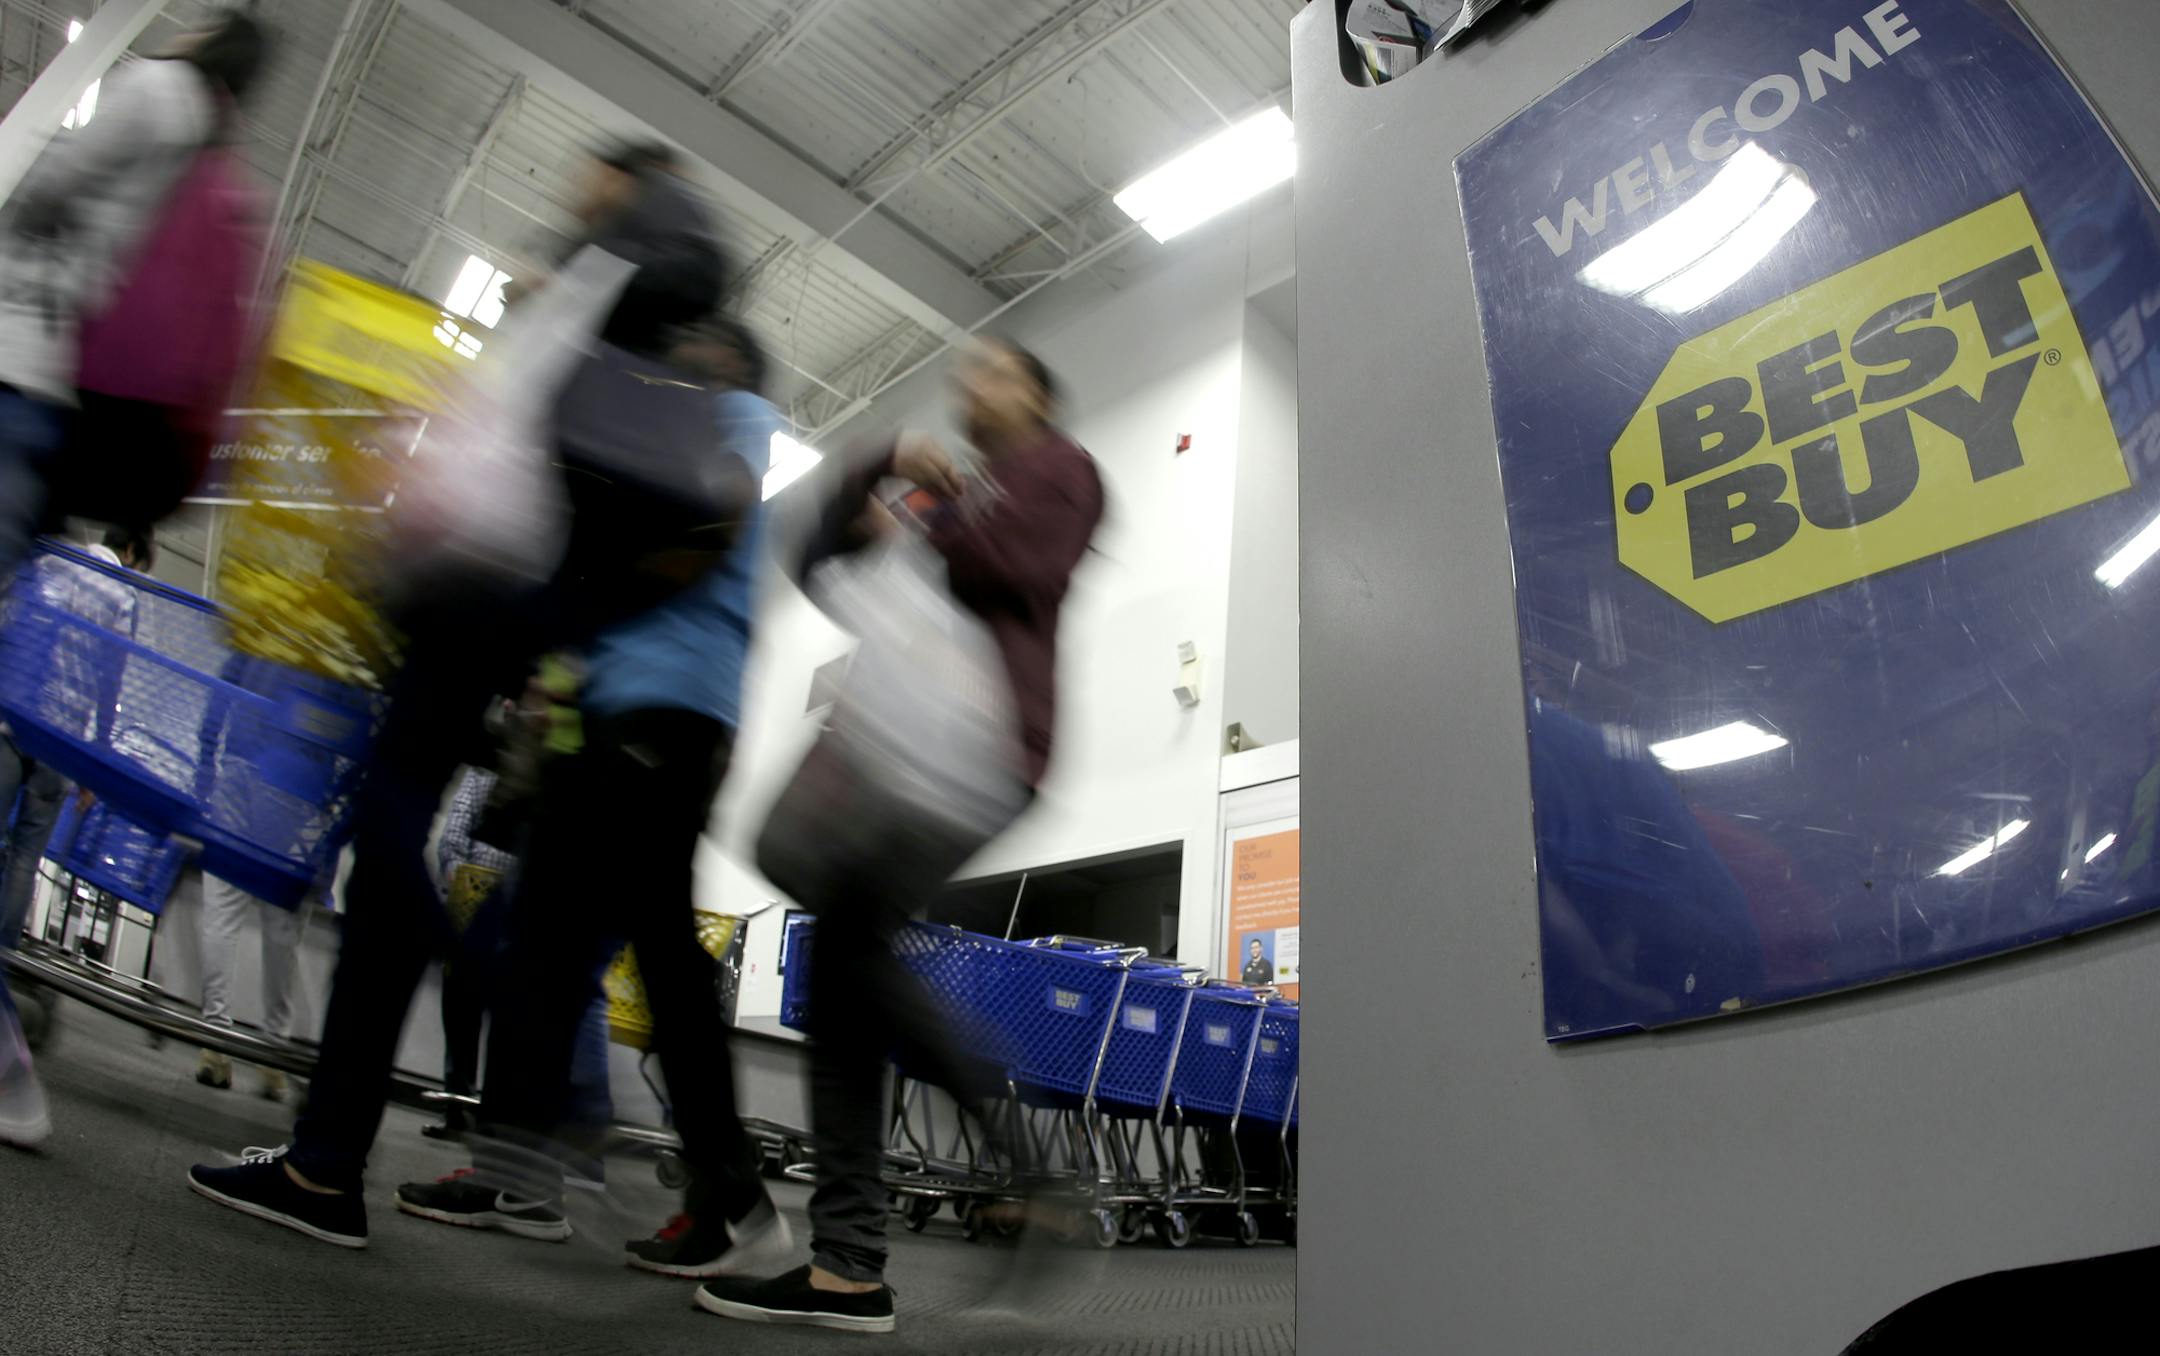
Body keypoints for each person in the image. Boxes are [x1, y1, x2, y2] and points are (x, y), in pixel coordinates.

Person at [185, 144, 740, 1249]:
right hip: (526, 596)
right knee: (402, 860)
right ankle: (329, 1155)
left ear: (624, 184)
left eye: (594, 173)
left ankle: (406, 1064)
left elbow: (518, 428)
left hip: (479, 583)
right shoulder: (638, 291)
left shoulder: (615, 264)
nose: (573, 182)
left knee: (388, 827)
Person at [697, 338, 1103, 1335]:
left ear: (1041, 398)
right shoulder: (945, 491)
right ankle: (850, 1266)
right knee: (842, 959)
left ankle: (1025, 1173)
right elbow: (814, 560)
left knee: (843, 938)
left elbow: (1026, 565)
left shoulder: (1058, 470)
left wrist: (934, 520)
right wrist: (881, 462)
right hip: (898, 749)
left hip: (987, 751)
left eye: (999, 372)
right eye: (965, 372)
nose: (973, 384)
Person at [393, 316, 790, 1279]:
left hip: (658, 716)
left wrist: (576, 603)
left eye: (695, 340)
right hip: (627, 713)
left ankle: (723, 1196)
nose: (675, 353)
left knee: (621, 955)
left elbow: (712, 519)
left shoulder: (730, 418)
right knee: (552, 948)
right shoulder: (684, 423)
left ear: (729, 361)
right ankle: (559, 1180)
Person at [0, 10, 268, 580]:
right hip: (80, 400)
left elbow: (53, 183)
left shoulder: (160, 87)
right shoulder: (221, 168)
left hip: (22, 357)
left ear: (209, 40)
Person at [0, 525, 153, 1150]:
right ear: (135, 555)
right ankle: (3, 955)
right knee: (26, 855)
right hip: (62, 737)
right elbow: (112, 679)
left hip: (14, 713)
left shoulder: (53, 563)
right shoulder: (123, 595)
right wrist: (95, 755)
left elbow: (12, 627)